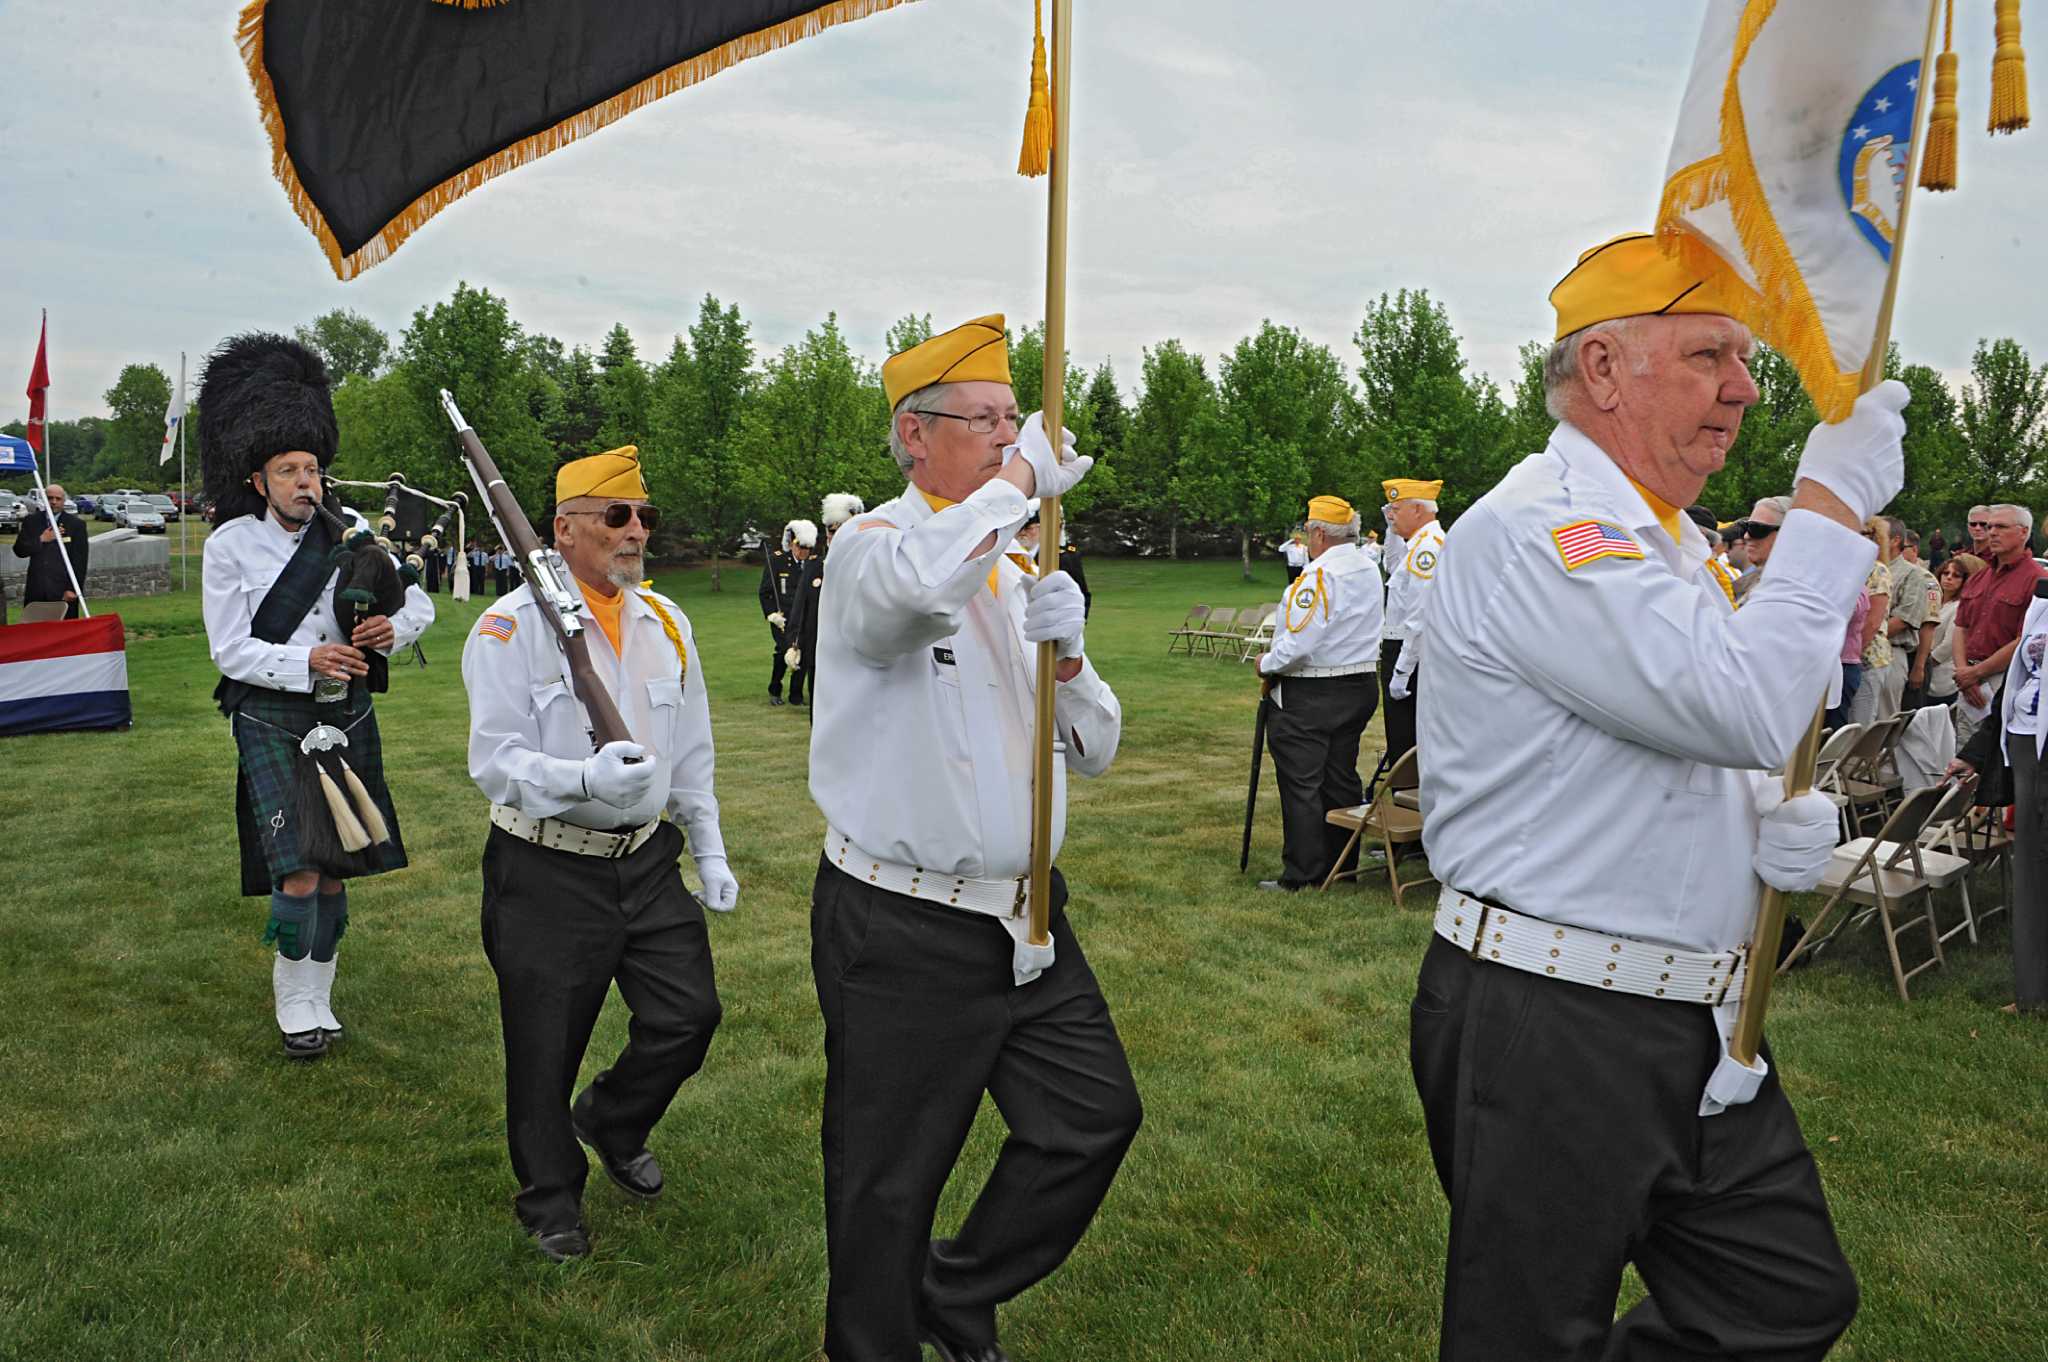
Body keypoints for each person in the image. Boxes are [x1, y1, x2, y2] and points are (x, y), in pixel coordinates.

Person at [1413, 233, 1901, 1359]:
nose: (1740, 389)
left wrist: (1753, 829)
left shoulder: (1666, 541)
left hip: (1692, 1015)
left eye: (1743, 360)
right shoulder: (1546, 528)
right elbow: (1731, 703)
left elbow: (1678, 740)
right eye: (1706, 355)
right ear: (1600, 370)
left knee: (1780, 1298)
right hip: (1554, 1015)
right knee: (1526, 1333)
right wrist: (1826, 508)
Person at [806, 315, 1140, 1362]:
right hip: (904, 922)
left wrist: (1074, 660)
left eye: (1016, 420)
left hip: (1029, 913)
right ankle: (871, 1344)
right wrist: (1013, 493)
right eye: (985, 420)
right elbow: (904, 598)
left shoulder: (1008, 561)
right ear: (914, 436)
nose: (1009, 438)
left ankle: (953, 1290)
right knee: (887, 1177)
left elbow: (1094, 750)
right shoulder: (870, 549)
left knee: (1090, 1119)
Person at [461, 445, 734, 1264]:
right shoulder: (508, 627)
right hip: (547, 867)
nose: (636, 532)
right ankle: (550, 1198)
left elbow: (694, 754)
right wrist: (580, 775)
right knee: (545, 1045)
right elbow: (494, 760)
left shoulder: (668, 622)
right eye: (617, 517)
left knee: (690, 1015)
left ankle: (613, 1119)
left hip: (647, 861)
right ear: (565, 528)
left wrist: (710, 851)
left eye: (645, 517)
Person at [197, 333, 435, 1061]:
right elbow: (230, 650)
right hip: (271, 715)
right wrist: (309, 657)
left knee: (337, 870)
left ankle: (320, 995)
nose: (306, 481)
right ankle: (291, 999)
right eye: (289, 470)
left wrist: (392, 628)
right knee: (298, 868)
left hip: (346, 711)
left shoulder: (353, 534)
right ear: (258, 479)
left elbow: (420, 606)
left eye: (313, 469)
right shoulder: (230, 546)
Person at [1254, 495, 1384, 892]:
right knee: (1341, 778)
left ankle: (1304, 872)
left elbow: (1300, 644)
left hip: (1313, 690)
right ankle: (1341, 864)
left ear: (1318, 533)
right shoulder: (1368, 567)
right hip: (1359, 682)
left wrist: (1267, 663)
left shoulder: (1319, 576)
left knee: (1302, 783)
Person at [1950, 584, 2048, 1020]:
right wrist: (1973, 753)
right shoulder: (2041, 607)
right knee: (2032, 874)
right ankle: (2033, 995)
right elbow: (2017, 687)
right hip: (2027, 752)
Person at [1953, 504, 2044, 738]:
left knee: (1995, 759)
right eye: (1989, 526)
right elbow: (1961, 627)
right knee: (1963, 754)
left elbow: (2025, 639)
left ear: (2023, 532)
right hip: (1967, 679)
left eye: (2001, 526)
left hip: (2007, 680)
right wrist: (1965, 672)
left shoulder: (2038, 580)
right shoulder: (1980, 576)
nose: (1991, 532)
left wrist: (1977, 673)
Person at [1379, 477, 1444, 765]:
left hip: (1411, 653)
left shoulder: (1427, 548)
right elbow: (1391, 564)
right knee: (1399, 740)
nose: (1392, 515)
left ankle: (1408, 804)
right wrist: (1390, 522)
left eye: (1397, 509)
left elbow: (1420, 617)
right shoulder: (1416, 545)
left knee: (1405, 742)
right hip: (1403, 647)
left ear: (1417, 510)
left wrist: (1403, 670)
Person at [782, 492, 864, 713]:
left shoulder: (866, 566)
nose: (835, 536)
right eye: (831, 530)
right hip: (818, 654)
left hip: (857, 657)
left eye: (842, 529)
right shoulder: (815, 568)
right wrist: (793, 644)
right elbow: (800, 609)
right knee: (820, 717)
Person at [11, 483, 89, 619]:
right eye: (50, 498)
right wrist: (41, 539)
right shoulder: (31, 521)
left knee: (64, 633)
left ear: (64, 501)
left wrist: (73, 588)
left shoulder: (76, 525)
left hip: (63, 590)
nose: (54, 502)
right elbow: (19, 550)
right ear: (44, 500)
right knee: (37, 632)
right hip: (37, 589)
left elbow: (80, 560)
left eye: (58, 499)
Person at [1886, 519, 1940, 710]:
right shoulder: (1876, 571)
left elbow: (1927, 626)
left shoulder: (1923, 578)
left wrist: (1919, 667)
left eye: (1906, 547)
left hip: (1906, 653)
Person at [1846, 519, 1894, 723]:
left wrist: (1852, 658)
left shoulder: (1877, 570)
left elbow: (1872, 622)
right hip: (1848, 658)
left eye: (1863, 533)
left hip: (1868, 659)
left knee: (1859, 725)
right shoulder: (1847, 567)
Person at [761, 519, 814, 706]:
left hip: (804, 619)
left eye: (807, 548)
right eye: (800, 547)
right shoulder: (777, 561)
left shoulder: (813, 565)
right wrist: (772, 615)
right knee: (784, 652)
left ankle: (796, 695)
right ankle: (775, 689)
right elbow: (765, 592)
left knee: (803, 654)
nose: (803, 552)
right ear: (792, 543)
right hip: (782, 618)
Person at [1926, 551, 1986, 714]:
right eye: (1946, 573)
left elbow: (1948, 645)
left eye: (1956, 575)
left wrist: (1924, 664)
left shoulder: (1959, 606)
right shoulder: (1931, 600)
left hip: (1940, 675)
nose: (1949, 578)